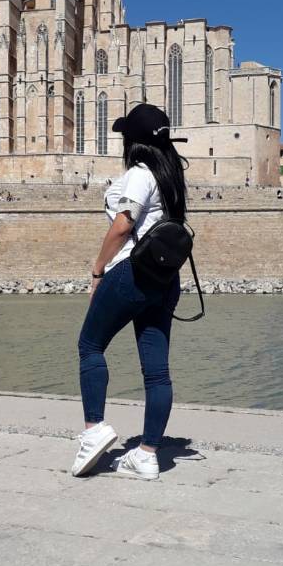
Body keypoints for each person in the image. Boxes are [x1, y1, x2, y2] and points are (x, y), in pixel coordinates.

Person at [72, 103, 188, 482]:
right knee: (156, 372)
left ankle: (94, 430)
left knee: (90, 345)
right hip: (165, 281)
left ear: (132, 143)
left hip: (132, 272)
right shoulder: (172, 177)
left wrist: (97, 269)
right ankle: (147, 455)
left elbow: (123, 226)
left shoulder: (141, 173)